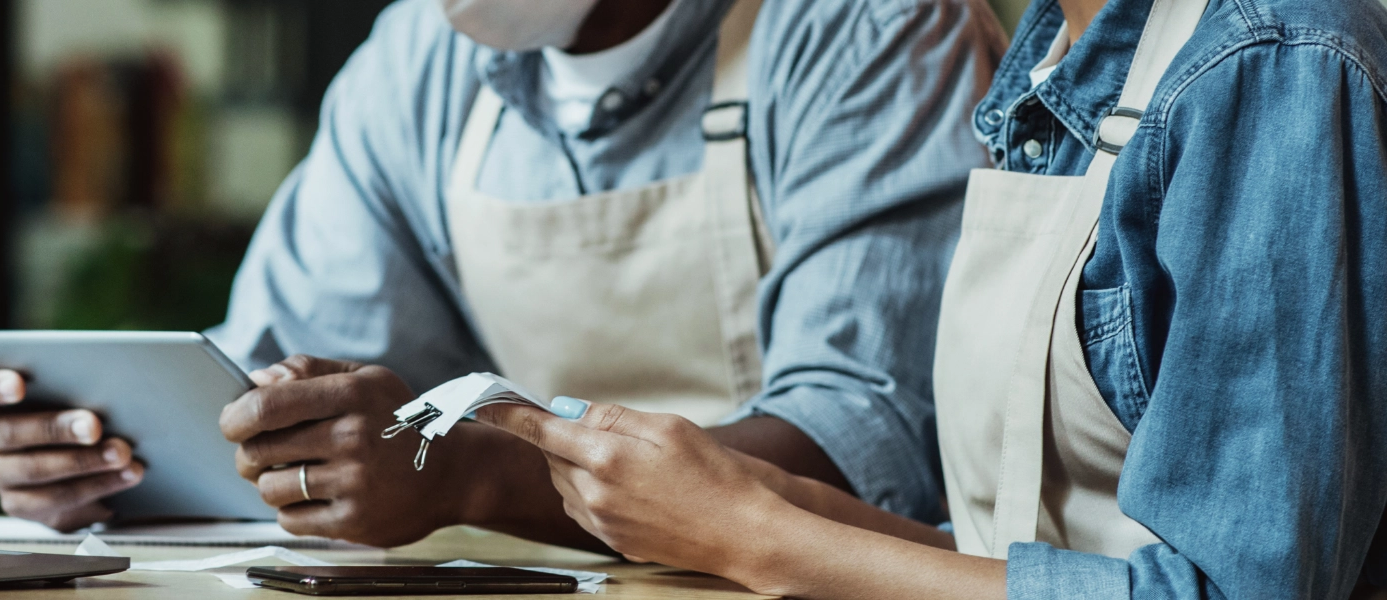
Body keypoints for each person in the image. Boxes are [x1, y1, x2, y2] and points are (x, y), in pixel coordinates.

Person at [0, 0, 1006, 542]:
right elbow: (275, 390)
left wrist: (477, 471)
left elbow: (870, 451)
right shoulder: (420, 60)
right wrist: (115, 457)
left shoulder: (865, 29)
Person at [471, 0, 1387, 595]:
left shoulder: (1276, 58)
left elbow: (1243, 590)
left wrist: (751, 535)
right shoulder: (1055, 51)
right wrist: (760, 496)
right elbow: (1026, 546)